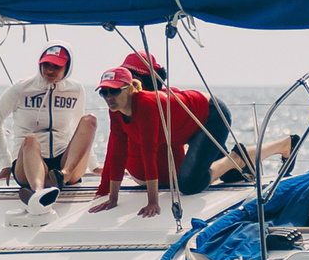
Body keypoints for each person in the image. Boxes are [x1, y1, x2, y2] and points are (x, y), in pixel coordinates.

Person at [88, 66, 214, 217]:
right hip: (186, 129)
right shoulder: (116, 110)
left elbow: (149, 152)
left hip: (210, 116)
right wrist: (112, 199)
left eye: (114, 91)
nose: (109, 97)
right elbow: (117, 153)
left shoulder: (145, 104)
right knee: (199, 169)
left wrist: (153, 202)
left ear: (129, 89)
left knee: (189, 184)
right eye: (104, 92)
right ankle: (223, 158)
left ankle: (234, 159)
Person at [0, 45, 94, 206]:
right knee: (30, 139)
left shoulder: (76, 89)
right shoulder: (22, 88)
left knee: (89, 120)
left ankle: (61, 177)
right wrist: (6, 164)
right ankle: (37, 193)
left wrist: (94, 166)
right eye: (46, 65)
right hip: (28, 163)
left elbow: (78, 129)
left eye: (57, 66)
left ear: (67, 68)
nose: (50, 70)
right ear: (40, 64)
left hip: (62, 164)